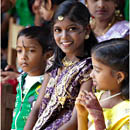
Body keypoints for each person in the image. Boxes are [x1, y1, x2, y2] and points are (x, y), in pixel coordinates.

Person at [24, 1, 98, 130]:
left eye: (72, 29)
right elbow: (37, 107)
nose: (64, 36)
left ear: (86, 30)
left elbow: (75, 121)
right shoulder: (54, 62)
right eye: (58, 30)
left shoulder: (90, 68)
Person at [75, 38, 130, 130]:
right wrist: (81, 115)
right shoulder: (98, 97)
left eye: (97, 70)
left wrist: (98, 118)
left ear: (119, 77)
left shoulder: (127, 113)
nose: (91, 75)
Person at [11, 26, 53, 130]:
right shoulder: (22, 79)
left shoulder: (48, 83)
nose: (23, 56)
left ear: (47, 55)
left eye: (31, 51)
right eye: (19, 51)